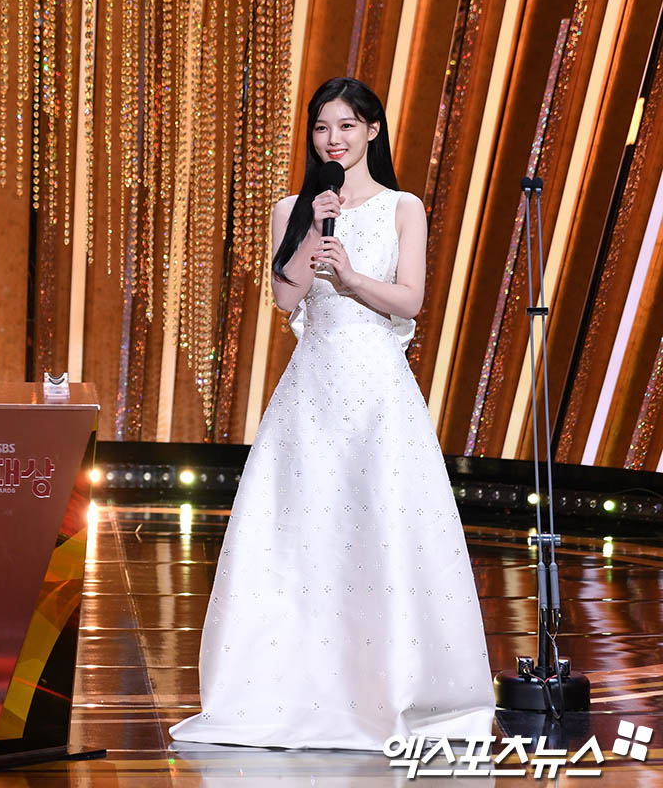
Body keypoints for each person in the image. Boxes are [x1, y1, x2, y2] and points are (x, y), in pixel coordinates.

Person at [169, 77, 495, 750]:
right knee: (301, 533)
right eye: (322, 127)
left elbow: (410, 300)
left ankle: (394, 690)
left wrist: (350, 277)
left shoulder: (404, 207)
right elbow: (286, 299)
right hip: (312, 390)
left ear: (372, 130)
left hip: (379, 391)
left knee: (384, 530)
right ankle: (291, 687)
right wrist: (310, 231)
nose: (333, 139)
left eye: (346, 125)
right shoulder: (294, 206)